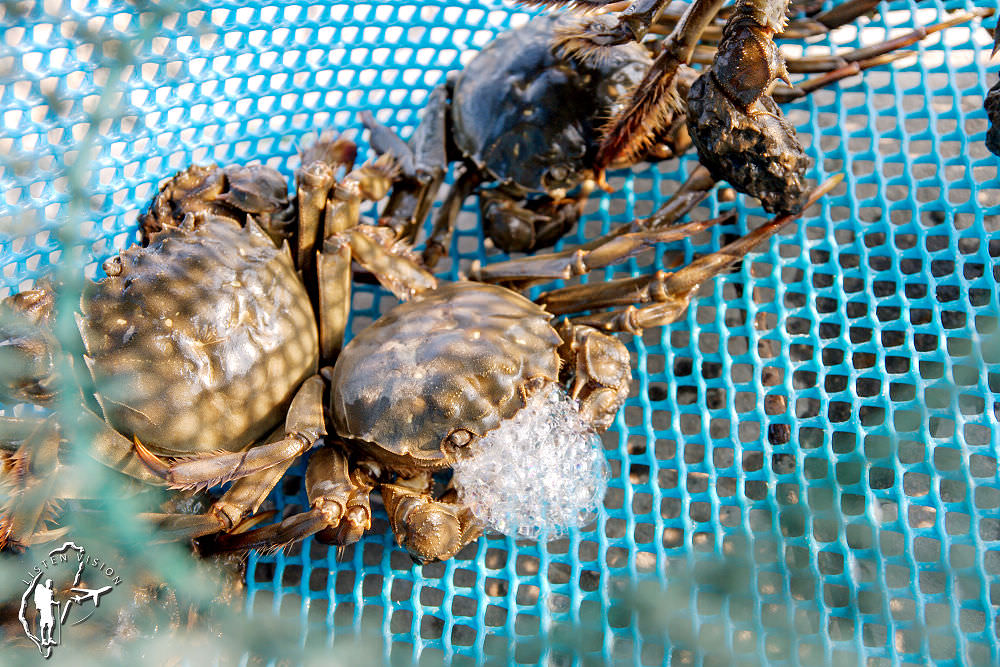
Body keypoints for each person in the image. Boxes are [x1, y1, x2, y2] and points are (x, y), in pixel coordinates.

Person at [33, 579, 56, 646]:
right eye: (49, 583)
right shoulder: (42, 591)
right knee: (44, 625)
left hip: (50, 610)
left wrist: (56, 603)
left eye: (51, 583)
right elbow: (44, 600)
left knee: (51, 624)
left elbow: (50, 601)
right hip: (44, 610)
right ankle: (43, 640)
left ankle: (50, 639)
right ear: (46, 584)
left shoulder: (51, 592)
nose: (50, 584)